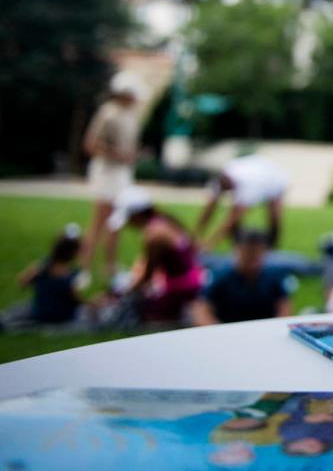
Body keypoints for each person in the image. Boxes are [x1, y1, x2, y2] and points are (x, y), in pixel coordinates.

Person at [108, 186, 205, 324]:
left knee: (145, 316)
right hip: (192, 281)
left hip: (181, 289)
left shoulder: (154, 236)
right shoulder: (163, 222)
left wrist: (124, 292)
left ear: (136, 214)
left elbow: (148, 274)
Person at [79, 72, 144, 280]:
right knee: (99, 221)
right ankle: (85, 267)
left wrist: (132, 156)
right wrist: (118, 155)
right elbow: (90, 145)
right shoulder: (108, 113)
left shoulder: (131, 115)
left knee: (117, 221)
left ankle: (110, 267)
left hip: (123, 173)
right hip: (107, 172)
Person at [191, 229, 295, 325]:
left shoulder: (273, 274)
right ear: (236, 250)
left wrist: (274, 327)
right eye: (247, 252)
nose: (252, 256)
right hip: (228, 329)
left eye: (257, 252)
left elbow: (284, 306)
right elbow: (201, 308)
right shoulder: (221, 275)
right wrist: (217, 331)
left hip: (263, 330)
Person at [196, 154, 288, 251]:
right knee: (235, 220)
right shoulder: (222, 176)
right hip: (257, 172)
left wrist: (211, 242)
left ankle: (272, 248)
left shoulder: (248, 184)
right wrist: (196, 236)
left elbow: (233, 218)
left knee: (274, 218)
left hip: (274, 181)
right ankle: (237, 246)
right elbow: (209, 209)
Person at [3, 225, 84, 328]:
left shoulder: (41, 267)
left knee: (18, 310)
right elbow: (76, 300)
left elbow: (22, 282)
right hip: (62, 317)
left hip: (40, 312)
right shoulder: (70, 275)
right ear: (74, 253)